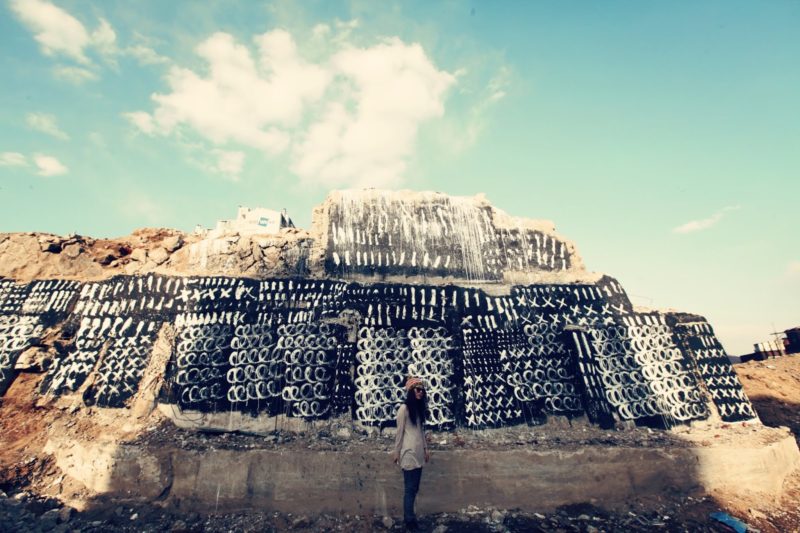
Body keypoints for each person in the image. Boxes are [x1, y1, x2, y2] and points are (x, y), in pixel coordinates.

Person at [392, 376, 430, 531]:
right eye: (418, 390)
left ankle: (412, 516)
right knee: (409, 488)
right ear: (411, 391)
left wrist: (426, 449)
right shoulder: (404, 409)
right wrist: (396, 452)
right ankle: (409, 520)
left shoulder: (418, 410)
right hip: (408, 454)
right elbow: (399, 433)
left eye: (422, 390)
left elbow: (421, 431)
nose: (420, 393)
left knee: (415, 488)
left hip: (419, 454)